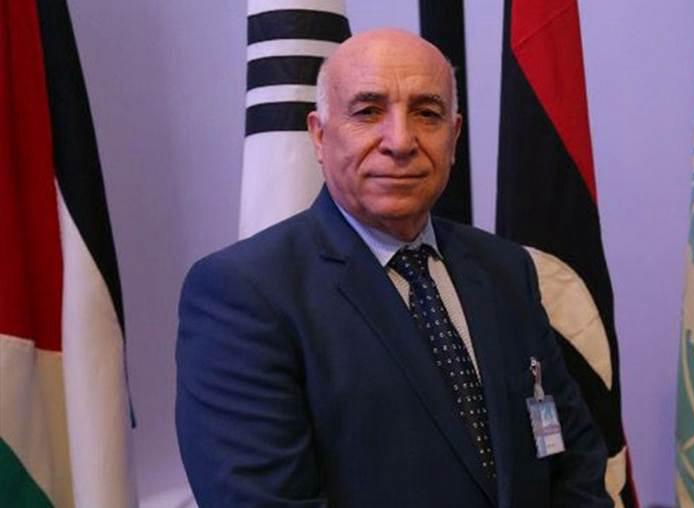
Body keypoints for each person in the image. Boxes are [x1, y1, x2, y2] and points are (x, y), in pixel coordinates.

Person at [175, 28, 612, 508]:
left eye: (427, 113)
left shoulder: (505, 269)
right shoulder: (244, 293)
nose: (401, 141)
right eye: (368, 111)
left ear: (454, 136)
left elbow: (573, 458)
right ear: (319, 135)